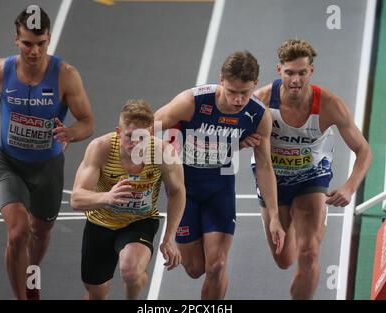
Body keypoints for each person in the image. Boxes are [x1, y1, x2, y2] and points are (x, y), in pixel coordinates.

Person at [154, 51, 285, 299]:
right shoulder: (191, 101)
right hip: (183, 191)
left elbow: (265, 166)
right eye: (232, 92)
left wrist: (275, 216)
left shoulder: (258, 116)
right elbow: (149, 127)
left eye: (244, 93)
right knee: (195, 269)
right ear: (221, 80)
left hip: (220, 188)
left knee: (217, 266)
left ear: (255, 84)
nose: (237, 100)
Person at [248, 38, 372, 299]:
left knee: (309, 254)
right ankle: (293, 220)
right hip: (273, 179)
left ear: (311, 72)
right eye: (290, 73)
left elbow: (364, 151)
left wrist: (350, 187)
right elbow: (233, 139)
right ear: (279, 70)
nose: (295, 80)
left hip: (311, 177)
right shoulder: (260, 102)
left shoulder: (329, 105)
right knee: (284, 259)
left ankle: (305, 227)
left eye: (302, 73)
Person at [0, 6, 94, 299]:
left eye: (41, 43)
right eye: (27, 43)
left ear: (49, 38)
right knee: (18, 232)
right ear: (16, 40)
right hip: (9, 163)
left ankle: (31, 270)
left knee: (41, 231)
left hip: (47, 167)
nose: (34, 51)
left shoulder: (66, 76)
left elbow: (88, 121)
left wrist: (72, 132)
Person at [70, 99, 185, 300]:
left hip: (139, 221)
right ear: (118, 132)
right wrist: (108, 197)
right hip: (100, 222)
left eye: (142, 137)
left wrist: (169, 238)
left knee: (130, 270)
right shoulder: (101, 148)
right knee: (95, 291)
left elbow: (177, 192)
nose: (135, 144)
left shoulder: (163, 153)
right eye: (129, 136)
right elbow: (76, 198)